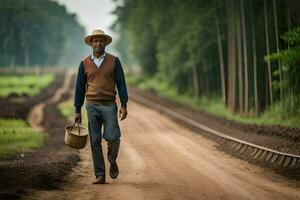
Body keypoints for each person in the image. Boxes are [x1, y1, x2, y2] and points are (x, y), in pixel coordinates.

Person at [74, 29, 128, 184]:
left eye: (101, 41)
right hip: (91, 106)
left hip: (110, 105)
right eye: (95, 41)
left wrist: (124, 105)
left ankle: (112, 159)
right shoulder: (84, 63)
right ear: (91, 43)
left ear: (105, 43)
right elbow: (79, 88)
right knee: (95, 140)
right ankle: (100, 174)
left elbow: (121, 84)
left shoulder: (114, 61)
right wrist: (77, 110)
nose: (98, 43)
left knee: (113, 137)